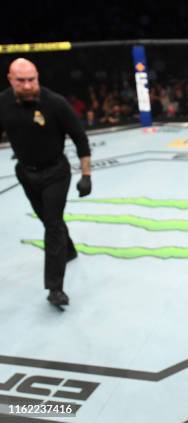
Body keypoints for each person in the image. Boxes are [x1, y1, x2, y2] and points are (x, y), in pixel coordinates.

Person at [0, 58, 92, 309]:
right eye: (21, 81)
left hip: (56, 173)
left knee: (51, 225)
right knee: (49, 220)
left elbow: (80, 138)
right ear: (10, 79)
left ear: (38, 77)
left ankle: (55, 287)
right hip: (26, 172)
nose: (28, 85)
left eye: (32, 79)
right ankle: (69, 250)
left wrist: (86, 176)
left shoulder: (55, 103)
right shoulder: (3, 103)